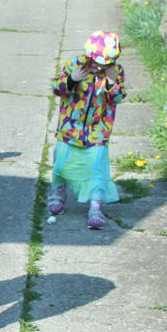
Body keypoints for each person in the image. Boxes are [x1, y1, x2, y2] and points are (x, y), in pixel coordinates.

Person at [47, 31, 126, 230]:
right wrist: (72, 80)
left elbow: (117, 98)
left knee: (96, 167)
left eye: (105, 63)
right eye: (96, 62)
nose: (99, 66)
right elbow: (57, 88)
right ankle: (58, 193)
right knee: (62, 163)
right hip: (70, 128)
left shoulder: (114, 72)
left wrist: (112, 83)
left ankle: (95, 207)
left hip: (98, 130)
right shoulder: (74, 64)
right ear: (89, 55)